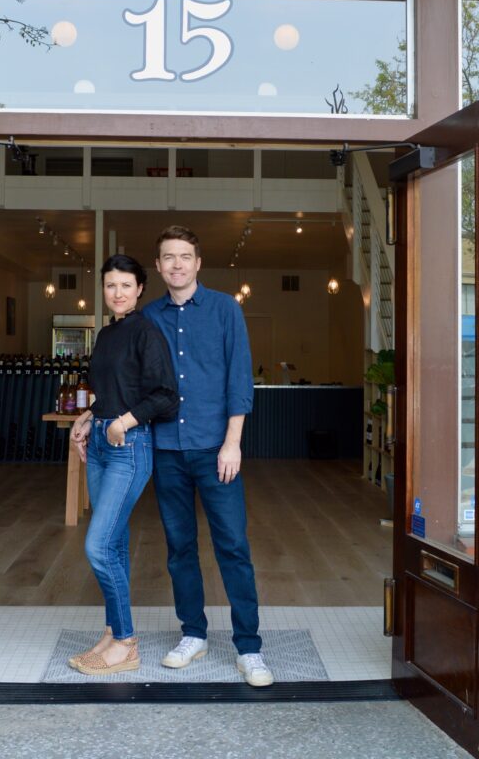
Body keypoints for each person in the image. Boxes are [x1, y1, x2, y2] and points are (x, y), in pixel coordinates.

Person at [142, 225, 274, 687]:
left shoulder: (224, 309)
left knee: (232, 547)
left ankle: (249, 647)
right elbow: (134, 382)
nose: (176, 263)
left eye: (184, 256)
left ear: (198, 263)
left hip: (217, 450)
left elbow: (239, 380)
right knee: (179, 549)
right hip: (166, 450)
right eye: (167, 256)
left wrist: (232, 442)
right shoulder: (148, 316)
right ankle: (193, 634)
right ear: (158, 267)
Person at [67, 254, 178, 675]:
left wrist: (123, 423)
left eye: (126, 286)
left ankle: (127, 642)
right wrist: (88, 417)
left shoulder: (146, 333)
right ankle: (113, 632)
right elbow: (112, 391)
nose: (117, 293)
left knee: (97, 545)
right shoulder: (106, 334)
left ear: (139, 290)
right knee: (111, 544)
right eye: (111, 285)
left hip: (128, 447)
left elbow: (166, 396)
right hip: (99, 442)